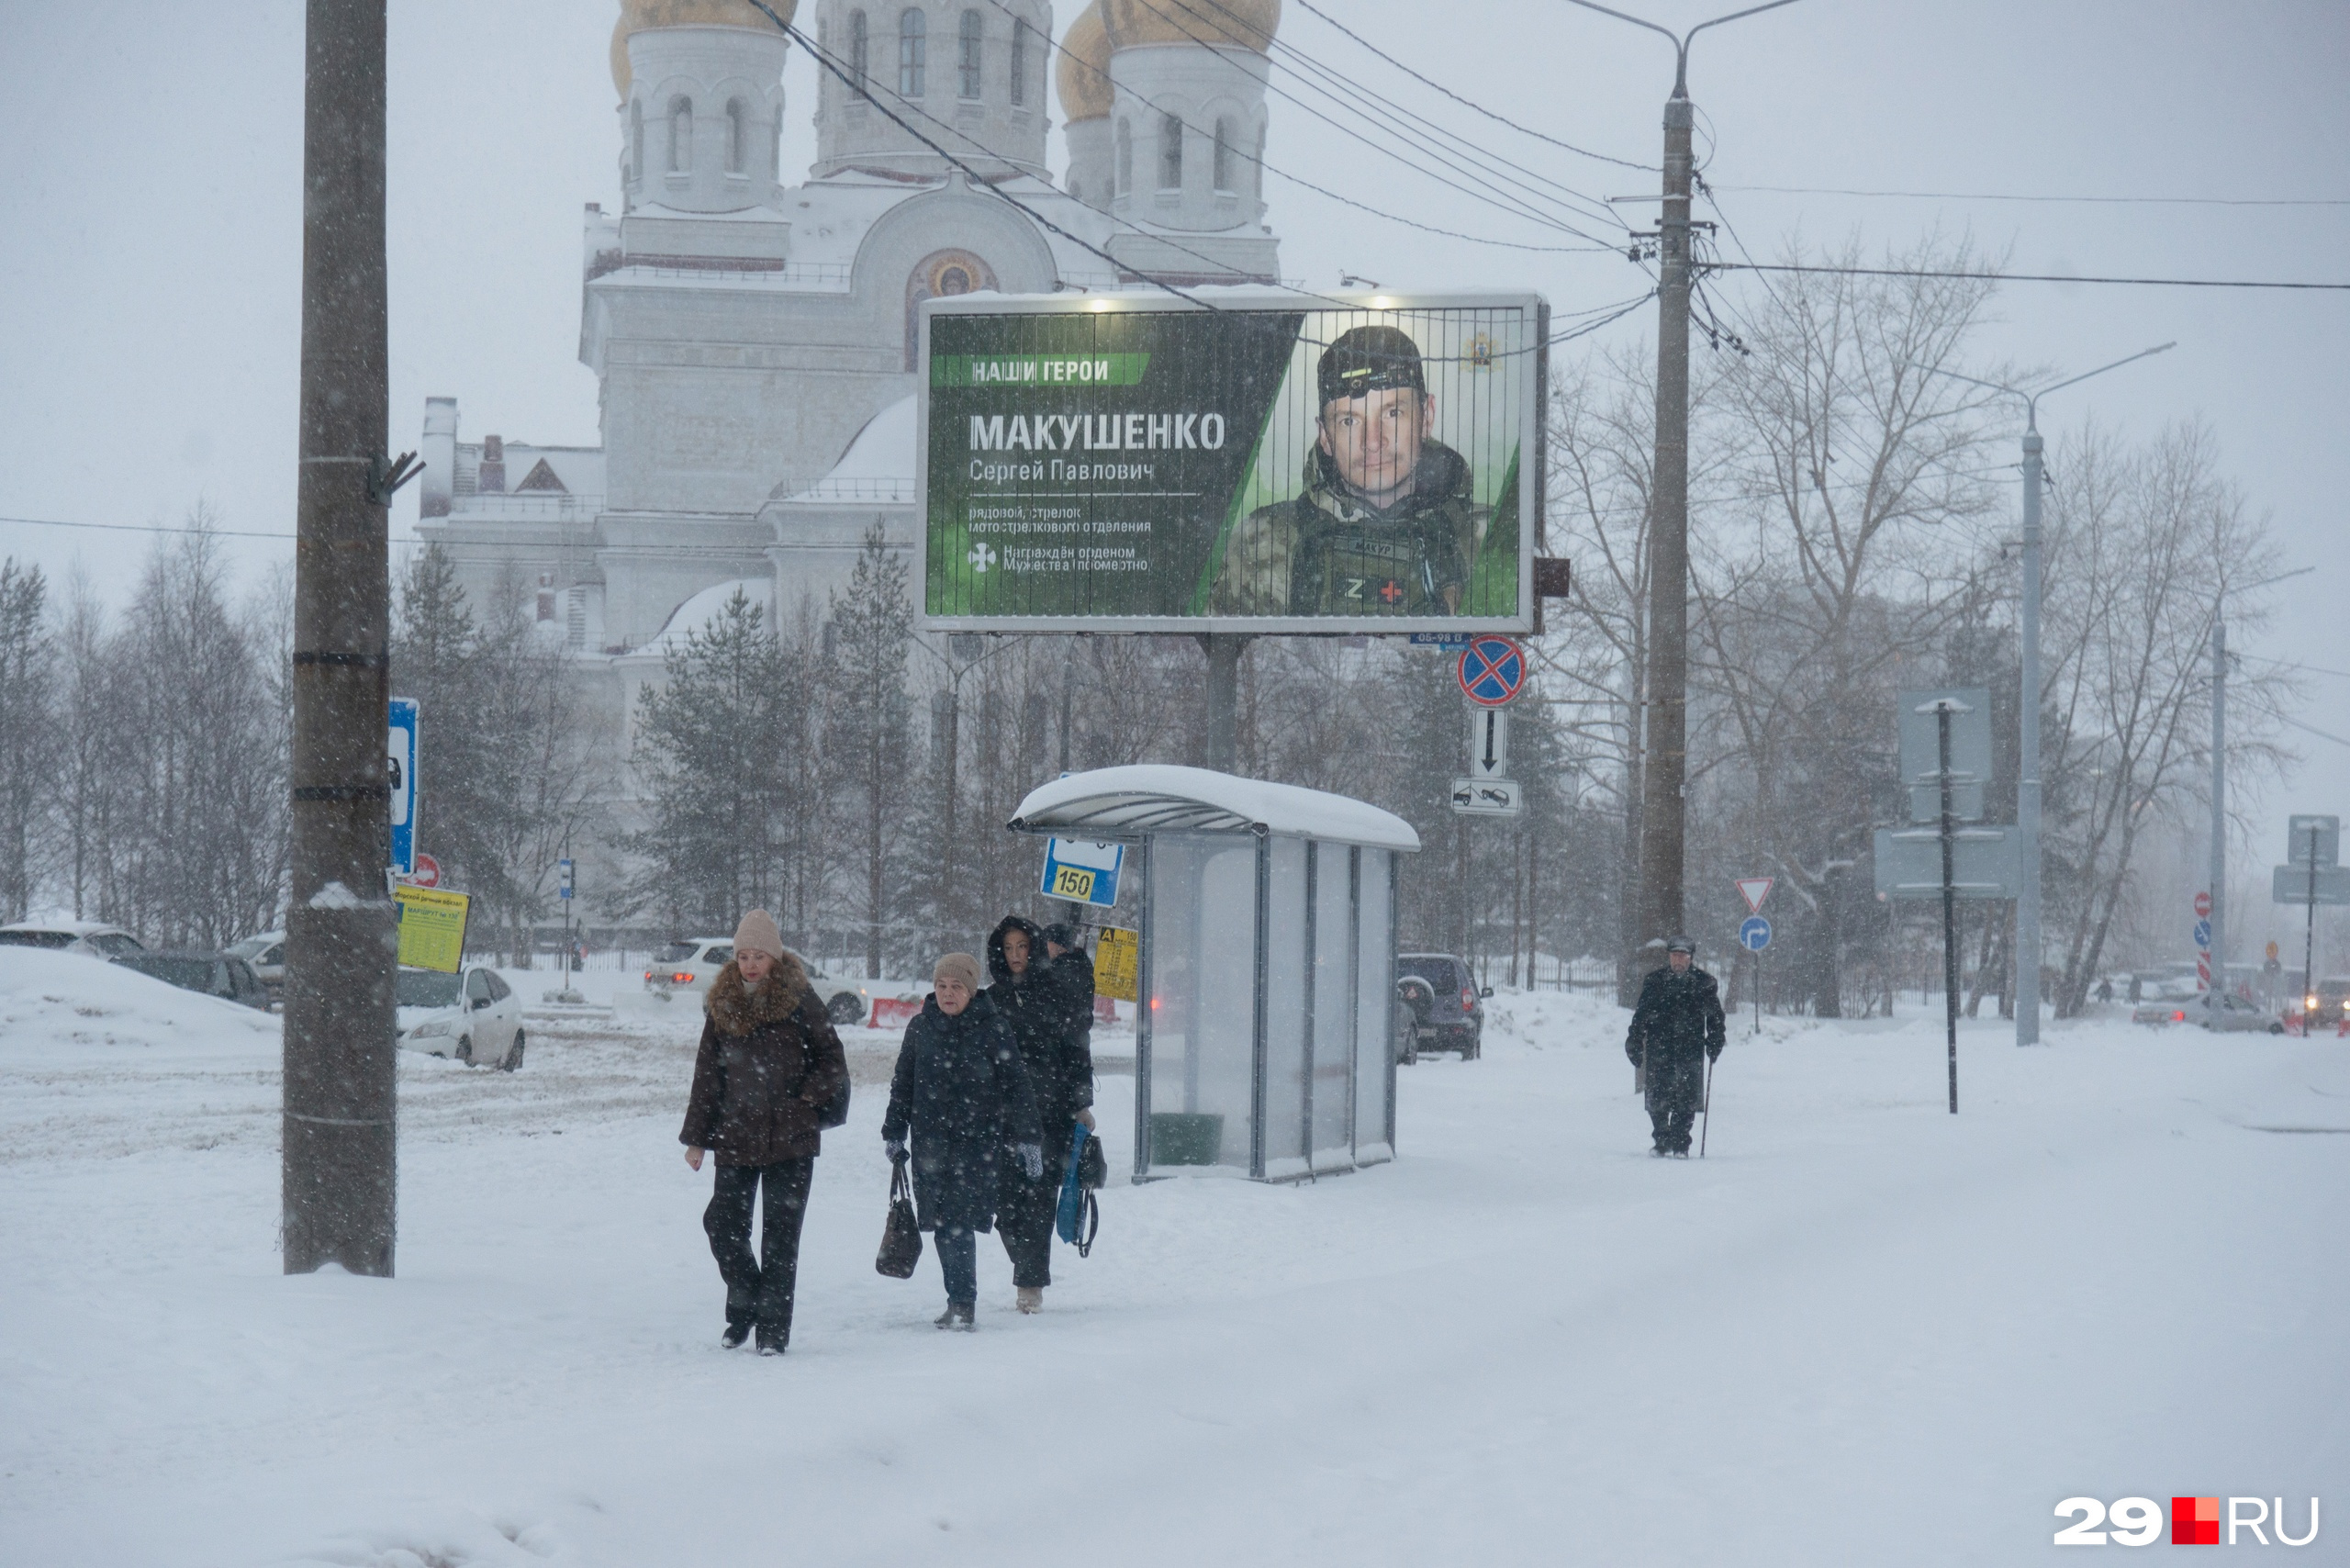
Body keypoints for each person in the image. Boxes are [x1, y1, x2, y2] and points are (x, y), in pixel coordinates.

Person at [1209, 323, 1478, 619]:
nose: (1373, 441)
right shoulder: (1262, 540)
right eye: (1350, 420)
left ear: (1426, 416)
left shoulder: (1483, 539)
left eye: (1392, 413)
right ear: (1325, 435)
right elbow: (1225, 653)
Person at [678, 910, 850, 1356]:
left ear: (774, 957)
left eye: (758, 955)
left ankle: (772, 1331)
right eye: (743, 956)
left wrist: (804, 1101)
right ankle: (745, 1308)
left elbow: (832, 1061)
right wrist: (697, 1138)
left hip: (790, 1139)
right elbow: (707, 1076)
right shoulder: (723, 1004)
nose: (750, 964)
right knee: (722, 1225)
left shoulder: (801, 1000)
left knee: (780, 1237)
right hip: (736, 1134)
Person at [882, 952, 1043, 1330]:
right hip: (930, 1146)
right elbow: (902, 1084)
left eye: (956, 987)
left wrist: (1029, 1139)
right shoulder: (920, 1029)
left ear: (971, 991)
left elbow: (1017, 1086)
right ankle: (957, 1299)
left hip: (978, 1145)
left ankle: (963, 1303)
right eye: (941, 986)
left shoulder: (993, 1029)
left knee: (958, 1222)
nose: (947, 993)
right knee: (940, 1225)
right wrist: (893, 1132)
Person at [984, 916, 1099, 1313]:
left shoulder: (1056, 993)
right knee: (1004, 1203)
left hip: (1049, 1113)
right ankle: (1027, 1264)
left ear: (1033, 948)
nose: (1015, 955)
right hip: (1002, 1116)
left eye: (1022, 947)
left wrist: (1080, 1104)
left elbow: (1075, 1050)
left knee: (1037, 1200)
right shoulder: (991, 999)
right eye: (1008, 948)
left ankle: (1030, 1286)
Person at [1624, 936, 1724, 1158]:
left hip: (1690, 1048)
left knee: (1686, 1098)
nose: (1678, 961)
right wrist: (1635, 1040)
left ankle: (1681, 1142)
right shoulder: (1655, 982)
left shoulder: (1703, 983)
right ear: (1669, 957)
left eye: (1683, 956)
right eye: (1674, 956)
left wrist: (1715, 1038)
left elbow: (1715, 1016)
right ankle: (1662, 1139)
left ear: (1691, 958)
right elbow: (1641, 1015)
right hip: (1660, 1047)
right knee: (1658, 1095)